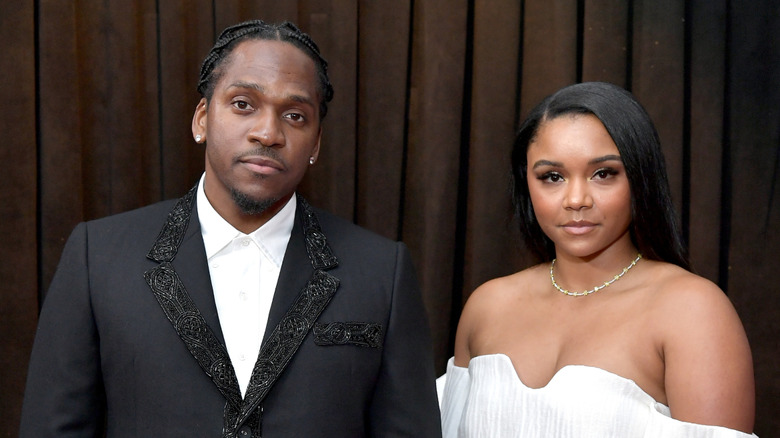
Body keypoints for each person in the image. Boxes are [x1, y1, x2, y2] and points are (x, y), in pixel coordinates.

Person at [20, 19, 441, 437]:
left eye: (295, 115)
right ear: (202, 119)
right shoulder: (100, 256)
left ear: (315, 143)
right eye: (243, 104)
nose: (267, 132)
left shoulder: (382, 272)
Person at [440, 82, 756, 437]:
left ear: (640, 177)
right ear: (526, 183)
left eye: (603, 173)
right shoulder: (487, 306)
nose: (576, 199)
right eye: (552, 177)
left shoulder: (691, 310)